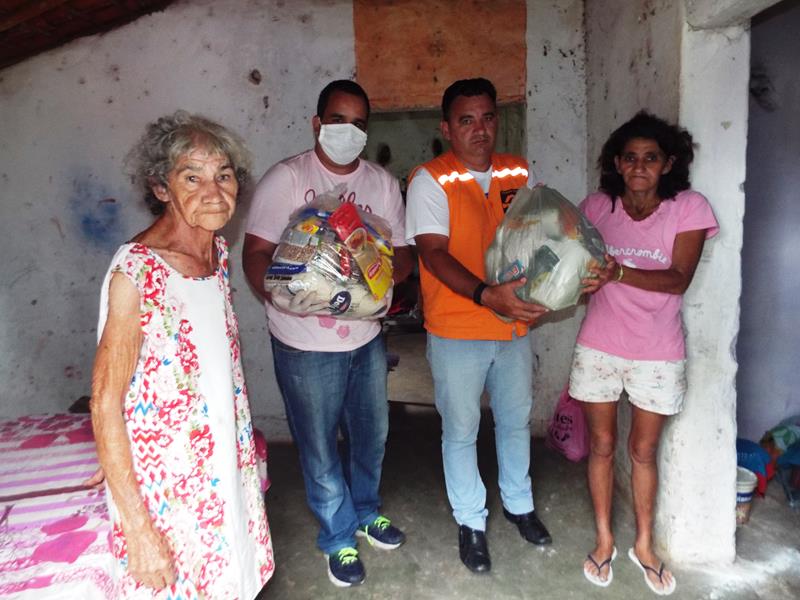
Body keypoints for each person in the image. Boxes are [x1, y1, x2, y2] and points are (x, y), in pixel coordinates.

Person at [91, 111, 274, 598]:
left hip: (222, 467)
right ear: (161, 188)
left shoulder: (215, 251)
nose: (214, 192)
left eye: (224, 175)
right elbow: (104, 402)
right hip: (168, 490)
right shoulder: (136, 273)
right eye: (192, 177)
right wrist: (136, 527)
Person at [242, 80, 413, 588]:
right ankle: (337, 536)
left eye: (359, 124)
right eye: (339, 120)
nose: (349, 131)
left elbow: (402, 253)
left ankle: (366, 511)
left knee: (372, 435)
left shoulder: (381, 184)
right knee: (318, 445)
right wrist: (284, 295)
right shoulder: (288, 179)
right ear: (318, 123)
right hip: (304, 343)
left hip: (365, 338)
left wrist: (378, 269)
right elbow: (254, 253)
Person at [405, 78, 552, 575]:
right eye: (466, 120)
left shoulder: (517, 170)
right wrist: (487, 294)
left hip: (512, 327)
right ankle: (470, 521)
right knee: (462, 429)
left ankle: (519, 505)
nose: (480, 130)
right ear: (447, 128)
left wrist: (554, 285)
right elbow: (433, 253)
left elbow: (534, 238)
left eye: (487, 117)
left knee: (515, 421)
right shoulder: (429, 179)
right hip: (459, 328)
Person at [571, 111, 719, 596]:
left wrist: (617, 273)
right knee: (602, 446)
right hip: (598, 346)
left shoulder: (688, 208)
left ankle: (645, 545)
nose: (639, 167)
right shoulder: (595, 207)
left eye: (650, 158)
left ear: (668, 163)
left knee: (643, 451)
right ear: (617, 162)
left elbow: (678, 279)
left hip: (657, 353)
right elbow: (571, 264)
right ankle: (605, 538)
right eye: (630, 158)